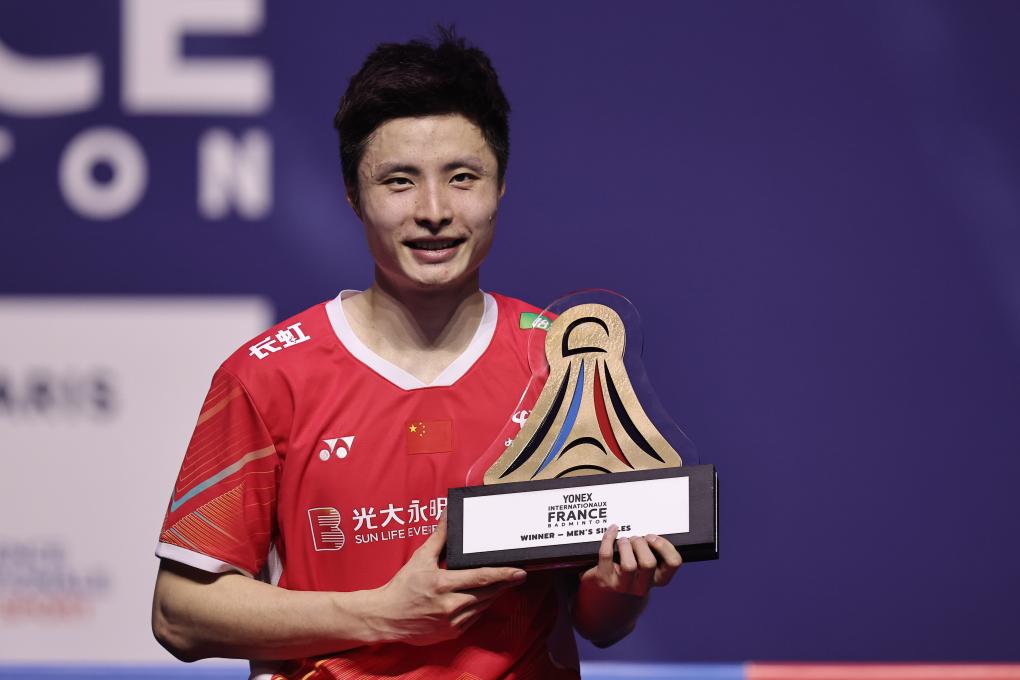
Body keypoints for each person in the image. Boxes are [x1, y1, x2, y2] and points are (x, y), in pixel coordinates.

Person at [151, 28, 682, 680]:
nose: (434, 210)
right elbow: (178, 615)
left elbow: (597, 623)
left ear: (500, 187)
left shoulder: (562, 361)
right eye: (399, 181)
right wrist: (383, 614)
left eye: (463, 178)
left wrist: (623, 585)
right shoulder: (268, 374)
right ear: (353, 196)